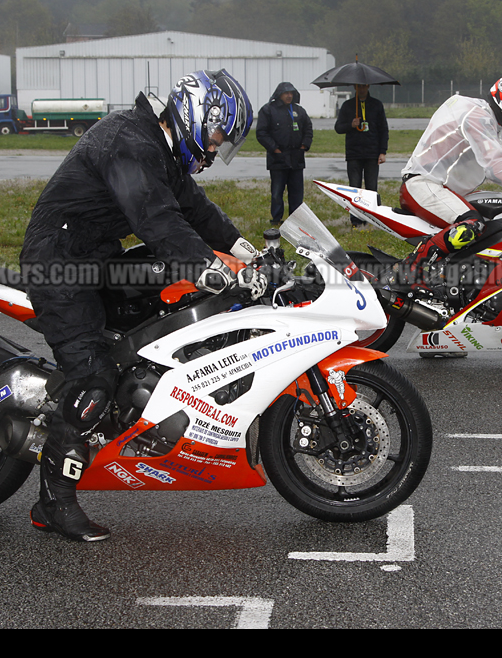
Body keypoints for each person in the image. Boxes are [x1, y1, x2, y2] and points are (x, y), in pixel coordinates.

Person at [19, 69, 266, 542]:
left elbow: (194, 209)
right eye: (217, 135)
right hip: (60, 262)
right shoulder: (128, 141)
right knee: (91, 377)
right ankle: (53, 503)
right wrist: (203, 267)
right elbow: (157, 218)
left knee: (145, 332)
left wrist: (246, 252)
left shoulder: (159, 146)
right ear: (199, 114)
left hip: (95, 256)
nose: (215, 148)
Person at [391, 72, 502, 289]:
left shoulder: (481, 117)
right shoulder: (477, 116)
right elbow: (496, 165)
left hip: (441, 188)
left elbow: (499, 161)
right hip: (424, 184)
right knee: (472, 224)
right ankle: (410, 268)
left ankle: (456, 280)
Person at [256, 82, 313, 225]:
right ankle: (276, 219)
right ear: (279, 94)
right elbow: (261, 133)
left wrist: (304, 146)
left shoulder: (299, 111)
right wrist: (275, 149)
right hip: (278, 158)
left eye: (291, 93)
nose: (289, 96)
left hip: (296, 158)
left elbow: (308, 129)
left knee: (297, 193)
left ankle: (297, 220)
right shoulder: (268, 110)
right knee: (277, 193)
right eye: (286, 93)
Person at [334, 83, 389, 226]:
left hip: (372, 153)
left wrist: (382, 151)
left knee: (371, 188)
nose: (362, 89)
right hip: (354, 154)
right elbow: (338, 128)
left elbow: (384, 129)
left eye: (364, 86)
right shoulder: (348, 105)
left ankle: (372, 218)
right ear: (355, 88)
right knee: (354, 188)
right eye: (359, 87)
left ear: (368, 86)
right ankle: (356, 219)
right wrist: (350, 125)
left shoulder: (376, 105)